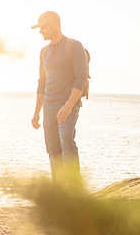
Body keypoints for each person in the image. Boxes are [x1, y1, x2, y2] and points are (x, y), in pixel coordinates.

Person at [31, 11, 89, 187]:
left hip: (68, 103)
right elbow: (42, 83)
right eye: (39, 28)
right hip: (48, 105)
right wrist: (36, 113)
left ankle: (74, 189)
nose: (40, 31)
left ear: (56, 24)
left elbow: (81, 78)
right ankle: (58, 192)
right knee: (52, 148)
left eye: (43, 27)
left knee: (66, 139)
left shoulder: (74, 46)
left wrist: (68, 106)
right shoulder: (43, 52)